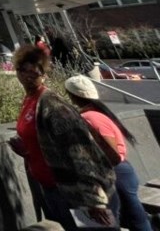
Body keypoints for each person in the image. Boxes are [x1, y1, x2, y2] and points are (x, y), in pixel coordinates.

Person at [8, 45, 115, 230]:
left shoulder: (53, 106)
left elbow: (80, 148)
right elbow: (46, 142)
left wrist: (94, 199)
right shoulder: (30, 101)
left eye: (34, 69)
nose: (28, 74)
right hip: (51, 188)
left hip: (74, 192)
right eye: (22, 69)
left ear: (43, 73)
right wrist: (27, 152)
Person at [65, 75, 152, 231]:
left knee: (107, 222)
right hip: (122, 172)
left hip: (110, 173)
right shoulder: (98, 114)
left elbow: (114, 155)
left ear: (71, 95)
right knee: (134, 216)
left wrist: (96, 171)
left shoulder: (88, 118)